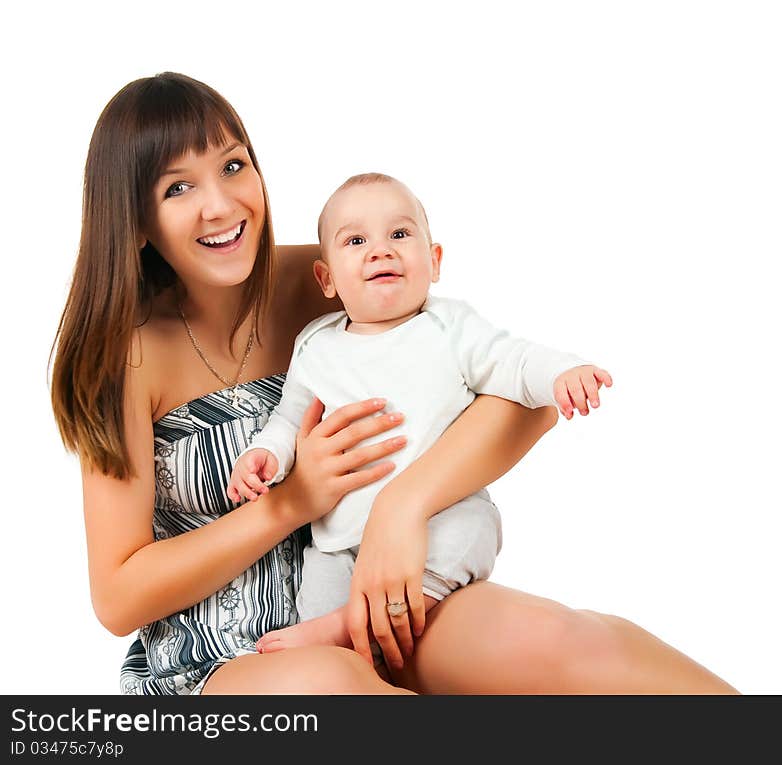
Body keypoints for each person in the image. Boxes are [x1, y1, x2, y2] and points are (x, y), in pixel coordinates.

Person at [51, 71, 738, 694]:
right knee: (337, 688)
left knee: (560, 641)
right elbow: (117, 594)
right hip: (223, 661)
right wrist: (291, 503)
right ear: (137, 219)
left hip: (382, 595)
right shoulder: (125, 357)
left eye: (234, 165)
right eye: (179, 187)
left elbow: (517, 397)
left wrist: (403, 506)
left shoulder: (323, 278)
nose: (221, 204)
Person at [227, 172, 614, 666]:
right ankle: (339, 639)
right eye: (356, 240)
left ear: (433, 262)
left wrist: (562, 372)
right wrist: (264, 456)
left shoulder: (449, 328)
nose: (380, 251)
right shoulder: (316, 345)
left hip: (437, 517)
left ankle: (349, 626)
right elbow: (289, 419)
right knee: (318, 584)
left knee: (470, 529)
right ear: (327, 280)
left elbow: (513, 362)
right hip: (337, 539)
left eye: (400, 234)